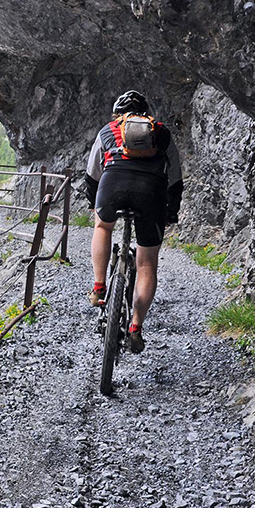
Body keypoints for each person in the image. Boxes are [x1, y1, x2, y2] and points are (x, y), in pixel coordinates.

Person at [84, 90, 183, 353]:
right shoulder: (161, 133)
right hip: (151, 192)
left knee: (103, 227)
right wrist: (170, 212)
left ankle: (99, 286)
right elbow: (175, 179)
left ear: (118, 114)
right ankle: (136, 327)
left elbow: (92, 175)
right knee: (147, 261)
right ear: (146, 115)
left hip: (113, 183)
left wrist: (95, 204)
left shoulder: (108, 130)